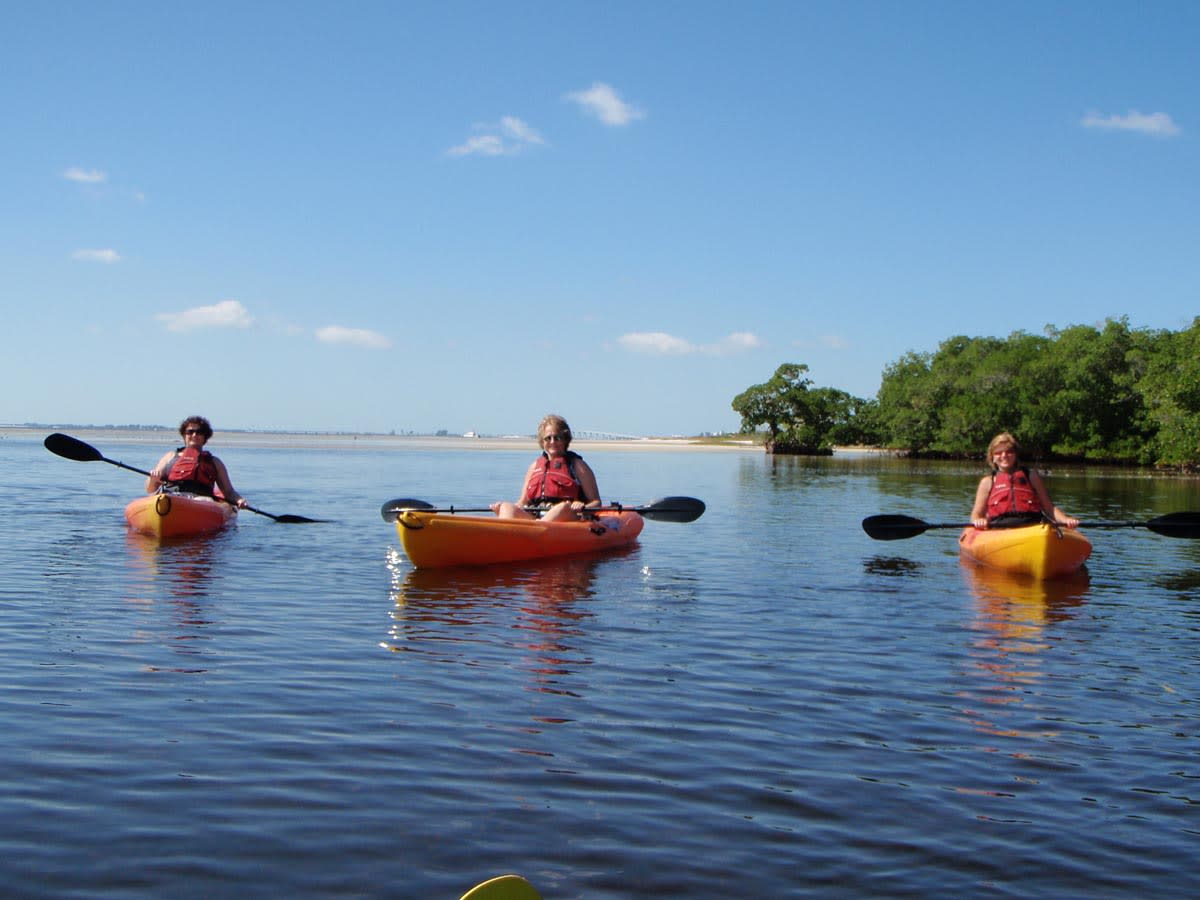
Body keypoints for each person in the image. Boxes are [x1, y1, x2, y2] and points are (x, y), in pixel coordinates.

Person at [491, 414, 601, 522]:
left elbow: (596, 502)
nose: (552, 442)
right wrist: (502, 509)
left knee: (563, 507)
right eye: (548, 438)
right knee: (506, 507)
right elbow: (522, 502)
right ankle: (519, 530)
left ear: (565, 440)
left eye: (557, 438)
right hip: (536, 518)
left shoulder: (577, 465)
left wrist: (582, 506)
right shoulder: (534, 467)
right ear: (542, 441)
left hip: (567, 515)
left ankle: (539, 529)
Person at [970, 431, 1078, 529]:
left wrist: (1065, 520)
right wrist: (978, 520)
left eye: (1009, 451)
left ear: (1015, 455)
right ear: (992, 457)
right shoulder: (988, 482)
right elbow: (977, 514)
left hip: (1031, 527)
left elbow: (1049, 507)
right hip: (1000, 528)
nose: (1004, 455)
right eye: (998, 453)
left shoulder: (1031, 476)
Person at [145, 416, 248, 508]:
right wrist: (153, 479)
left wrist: (239, 500)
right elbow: (150, 489)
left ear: (205, 437)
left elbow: (229, 491)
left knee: (204, 500)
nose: (194, 435)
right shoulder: (170, 457)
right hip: (172, 498)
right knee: (164, 498)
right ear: (184, 435)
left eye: (199, 432)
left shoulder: (215, 462)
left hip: (201, 501)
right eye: (190, 432)